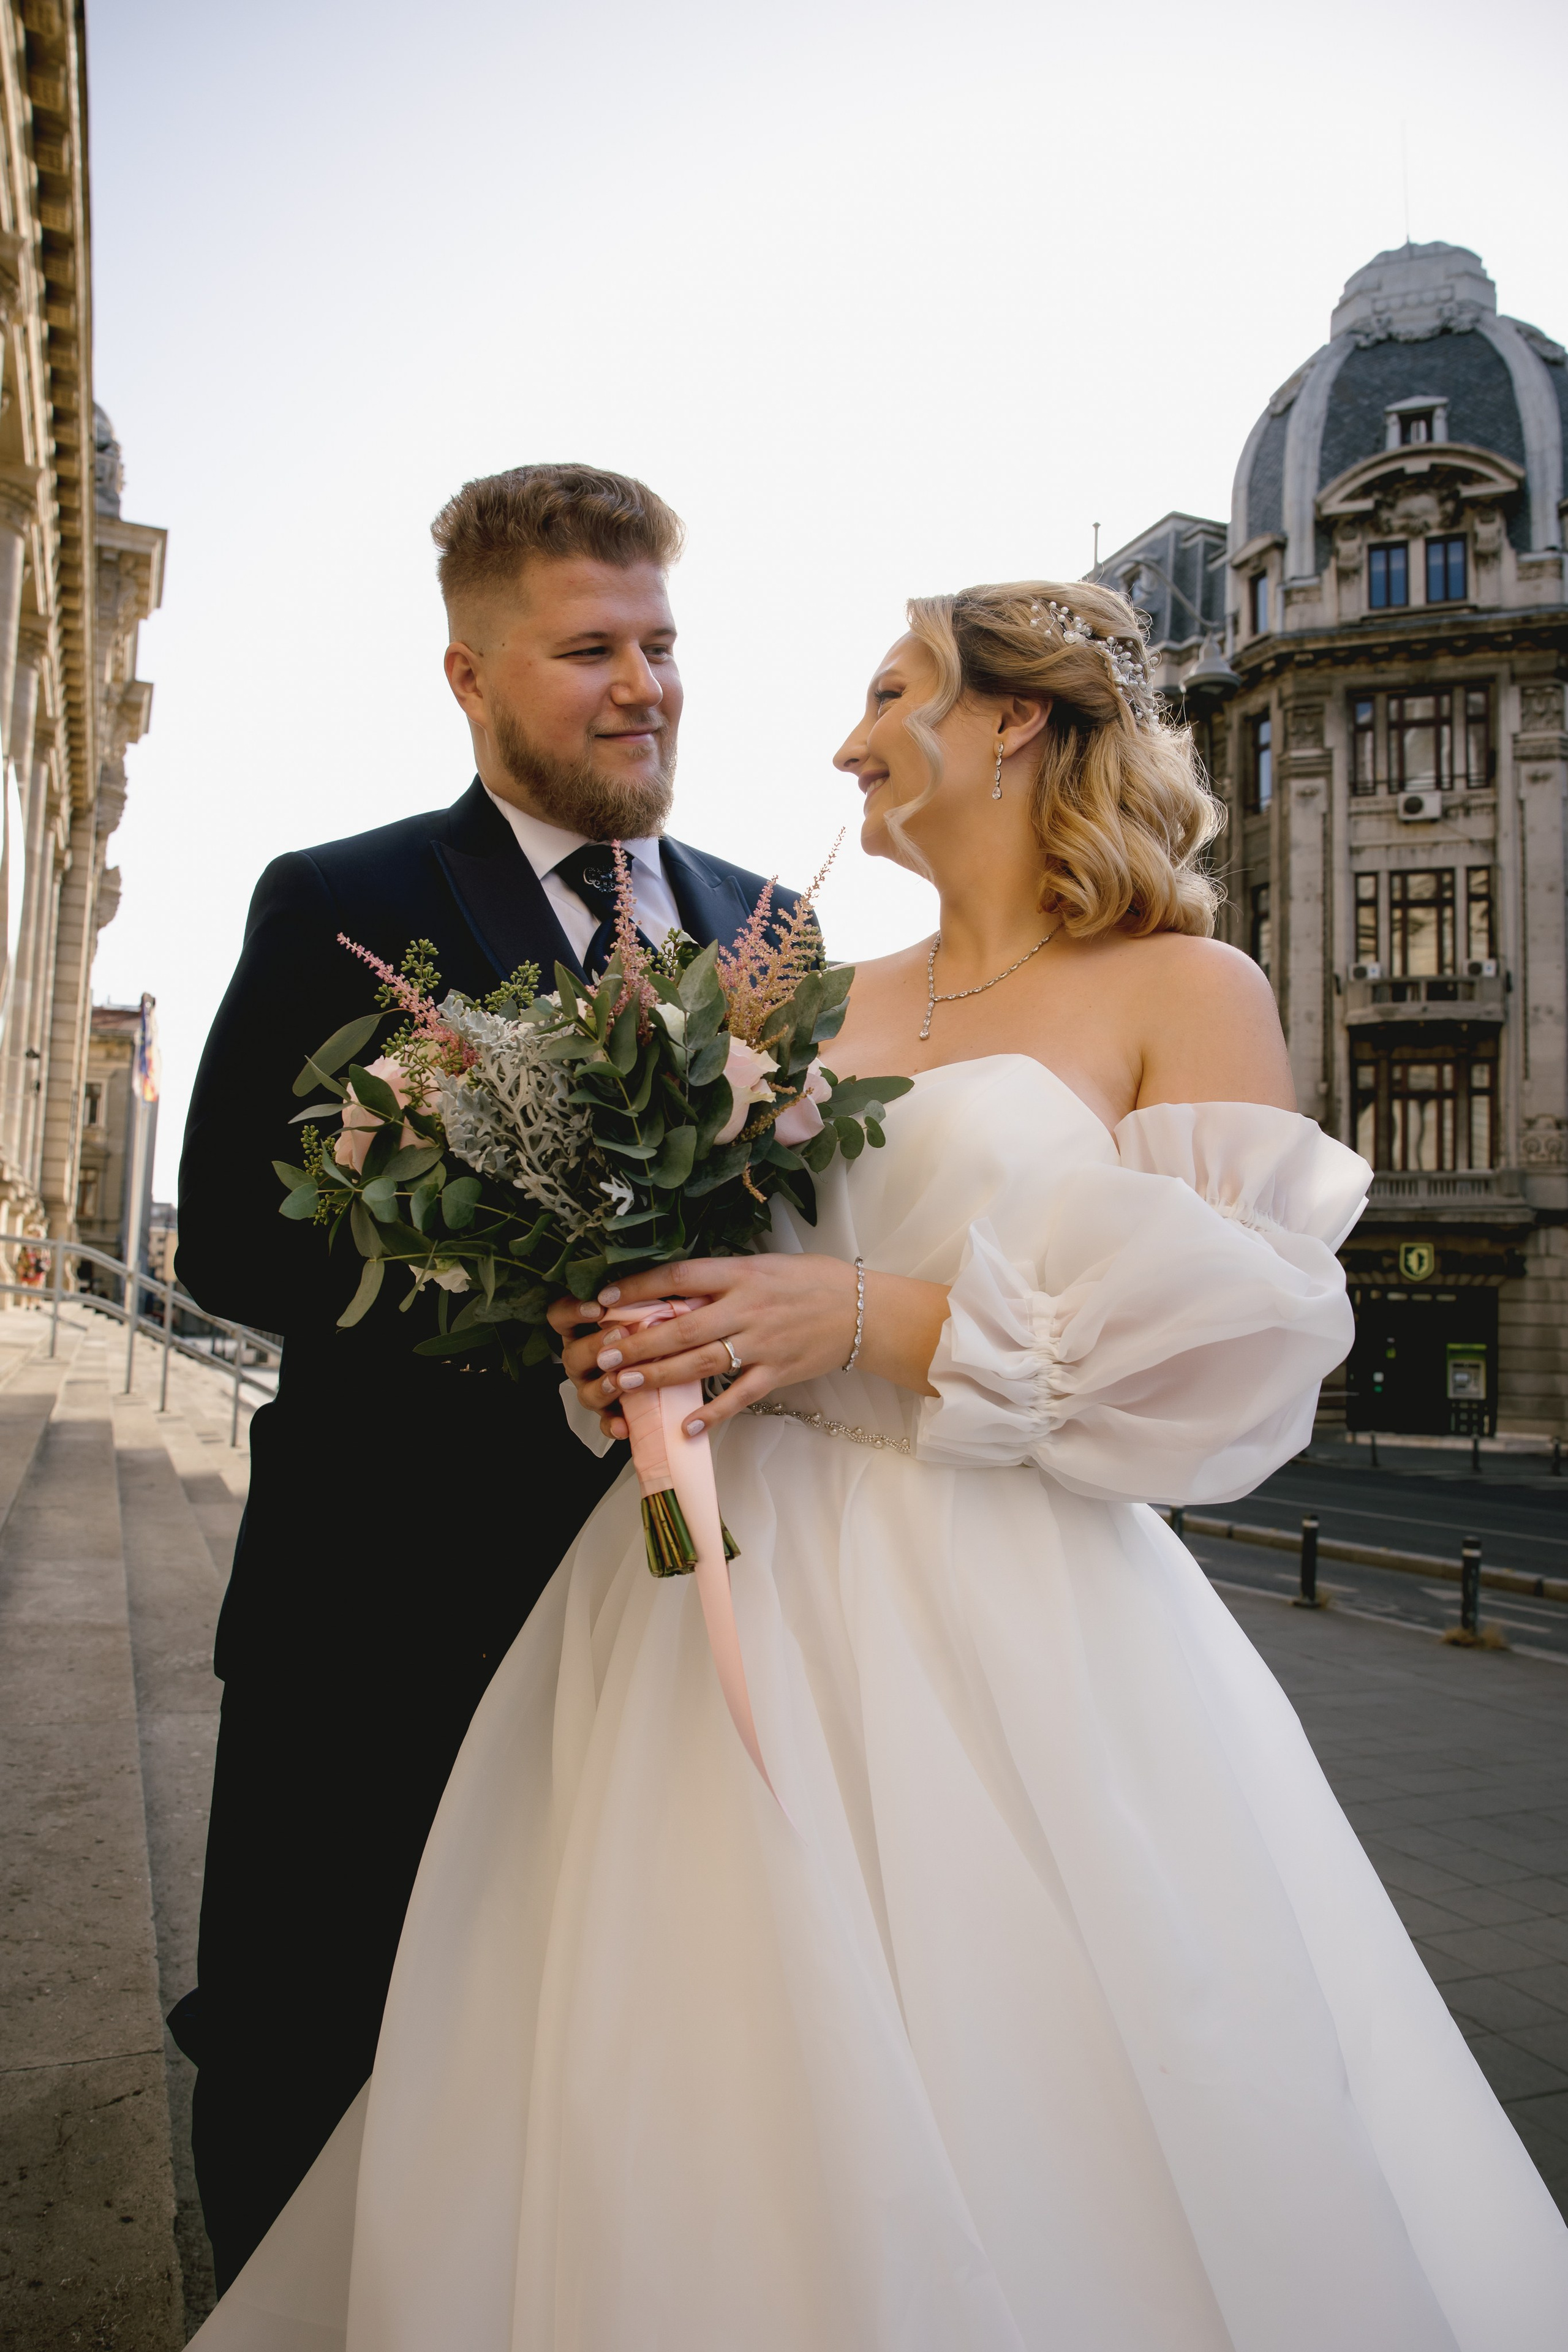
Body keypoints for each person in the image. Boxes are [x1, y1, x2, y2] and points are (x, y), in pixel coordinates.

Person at [190, 581, 1568, 2348]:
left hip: (1007, 1619)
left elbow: (1239, 1346)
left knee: (1048, 2078)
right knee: (669, 2073)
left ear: (1011, 721)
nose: (845, 738)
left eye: (891, 688)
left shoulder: (1186, 984)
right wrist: (639, 1363)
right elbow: (716, 1282)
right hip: (695, 1609)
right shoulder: (795, 994)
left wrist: (852, 1317)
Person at [173, 463, 808, 2291]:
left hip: (676, 1611)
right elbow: (229, 1241)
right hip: (379, 1621)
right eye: (591, 649)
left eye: (664, 645)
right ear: (468, 674)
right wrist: (507, 1299)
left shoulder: (767, 927)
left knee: (613, 2040)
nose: (646, 688)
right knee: (310, 2035)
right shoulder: (341, 900)